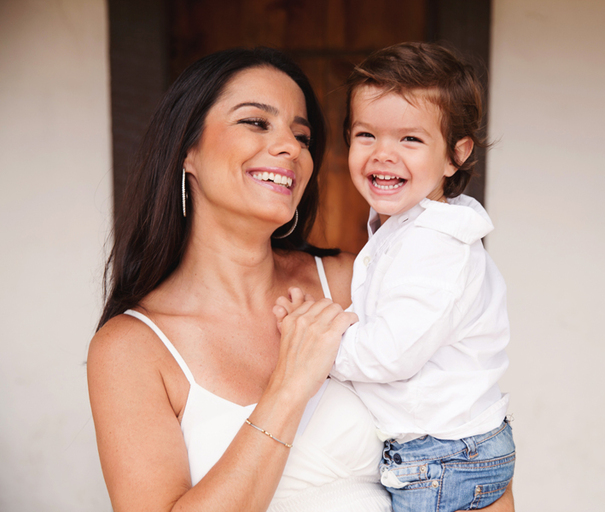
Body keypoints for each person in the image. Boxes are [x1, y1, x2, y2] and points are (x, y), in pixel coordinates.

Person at [88, 46, 514, 512]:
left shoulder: (353, 281)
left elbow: (468, 442)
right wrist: (289, 386)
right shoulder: (131, 349)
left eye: (302, 136)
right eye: (256, 122)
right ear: (186, 149)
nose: (291, 147)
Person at [276, 42, 515, 512]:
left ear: (455, 155)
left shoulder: (434, 245)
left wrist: (316, 343)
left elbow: (390, 355)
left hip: (443, 457)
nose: (383, 154)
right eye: (366, 135)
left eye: (410, 140)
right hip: (447, 449)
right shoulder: (409, 229)